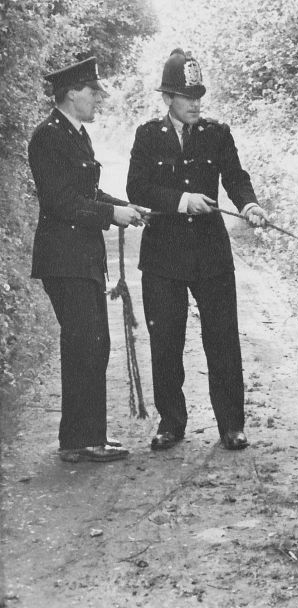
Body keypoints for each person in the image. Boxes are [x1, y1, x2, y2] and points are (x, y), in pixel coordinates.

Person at [126, 48, 269, 452]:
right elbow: (137, 189)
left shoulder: (217, 133)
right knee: (166, 340)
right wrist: (180, 200)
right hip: (163, 258)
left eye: (199, 95)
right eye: (187, 96)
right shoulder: (147, 135)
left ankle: (231, 425)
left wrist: (249, 204)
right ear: (168, 98)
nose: (195, 103)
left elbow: (236, 177)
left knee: (222, 339)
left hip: (211, 256)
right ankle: (171, 423)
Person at [28, 56, 143, 463]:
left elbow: (88, 193)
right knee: (86, 343)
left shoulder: (76, 134)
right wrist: (111, 214)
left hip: (82, 258)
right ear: (72, 93)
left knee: (92, 344)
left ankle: (82, 438)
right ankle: (82, 441)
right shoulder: (48, 136)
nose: (98, 99)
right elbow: (60, 202)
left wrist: (125, 205)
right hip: (64, 259)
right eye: (93, 92)